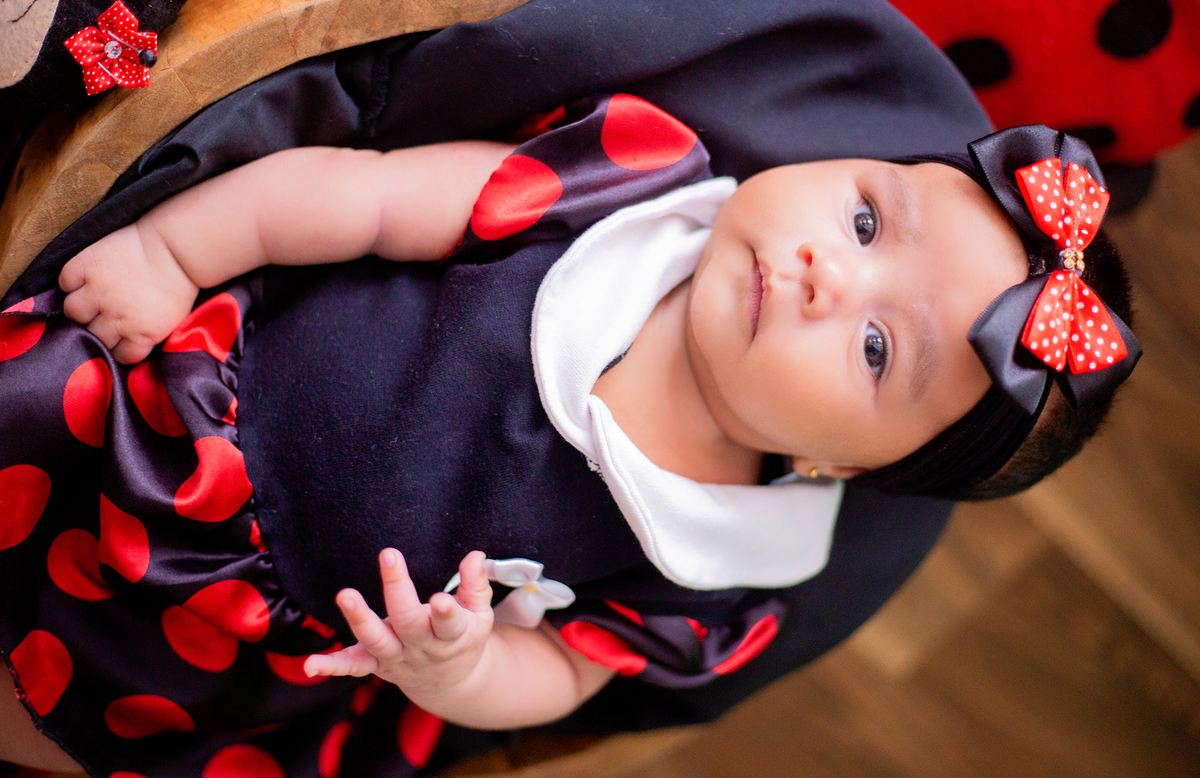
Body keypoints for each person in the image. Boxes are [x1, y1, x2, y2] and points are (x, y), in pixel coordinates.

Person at [0, 92, 1137, 777]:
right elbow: (371, 195)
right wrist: (177, 254)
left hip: (248, 638)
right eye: (864, 215)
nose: (821, 272)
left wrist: (463, 668)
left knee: (80, 724)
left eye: (878, 350)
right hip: (179, 410)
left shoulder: (716, 572)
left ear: (847, 465)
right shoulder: (621, 191)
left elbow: (559, 676)